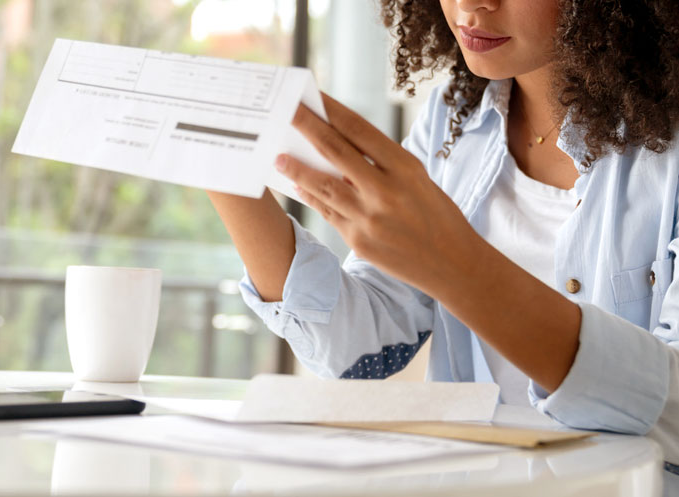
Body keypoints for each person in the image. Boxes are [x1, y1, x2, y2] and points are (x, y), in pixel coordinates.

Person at [206, 0, 679, 477]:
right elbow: (356, 350)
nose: (472, 4)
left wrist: (455, 265)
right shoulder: (453, 119)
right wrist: (223, 168)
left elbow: (673, 411)